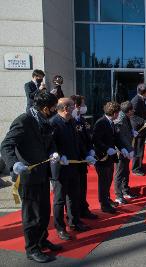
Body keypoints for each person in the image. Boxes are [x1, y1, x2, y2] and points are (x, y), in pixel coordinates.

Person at [1, 92, 61, 263]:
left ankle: (42, 240)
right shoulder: (24, 120)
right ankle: (32, 248)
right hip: (27, 176)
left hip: (42, 174)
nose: (55, 110)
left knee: (43, 212)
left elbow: (49, 142)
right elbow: (6, 145)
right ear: (44, 108)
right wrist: (14, 164)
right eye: (53, 108)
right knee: (31, 215)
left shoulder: (45, 121)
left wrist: (54, 152)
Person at [50, 98, 93, 241]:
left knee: (74, 196)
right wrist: (59, 156)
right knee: (59, 200)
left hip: (74, 166)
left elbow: (78, 142)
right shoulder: (53, 123)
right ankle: (60, 228)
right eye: (72, 105)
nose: (76, 107)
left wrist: (87, 154)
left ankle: (74, 222)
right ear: (65, 108)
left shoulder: (72, 122)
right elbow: (50, 145)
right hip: (60, 168)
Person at [70, 95, 98, 219]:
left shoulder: (82, 119)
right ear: (76, 106)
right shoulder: (70, 120)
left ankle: (83, 209)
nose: (84, 107)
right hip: (75, 159)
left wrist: (91, 150)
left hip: (83, 159)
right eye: (82, 104)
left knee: (83, 187)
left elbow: (88, 136)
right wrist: (85, 154)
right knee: (74, 190)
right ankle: (75, 214)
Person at [92, 102, 123, 214]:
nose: (118, 115)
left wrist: (122, 148)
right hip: (102, 157)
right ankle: (104, 204)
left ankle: (107, 198)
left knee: (109, 179)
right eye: (118, 113)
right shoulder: (101, 123)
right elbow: (96, 140)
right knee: (103, 181)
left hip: (110, 157)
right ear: (114, 113)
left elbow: (116, 138)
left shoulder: (111, 123)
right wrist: (106, 149)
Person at [114, 101, 137, 204]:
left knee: (126, 171)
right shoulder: (120, 120)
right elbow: (120, 137)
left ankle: (125, 190)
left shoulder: (126, 117)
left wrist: (132, 132)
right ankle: (118, 195)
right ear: (128, 111)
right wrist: (127, 149)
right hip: (121, 150)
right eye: (132, 110)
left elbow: (126, 132)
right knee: (119, 172)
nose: (133, 111)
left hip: (127, 148)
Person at [131, 83, 146, 176]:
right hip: (137, 129)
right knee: (138, 149)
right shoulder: (136, 101)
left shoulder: (141, 99)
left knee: (140, 148)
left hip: (141, 128)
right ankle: (136, 168)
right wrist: (143, 121)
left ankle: (139, 165)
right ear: (144, 92)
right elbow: (132, 115)